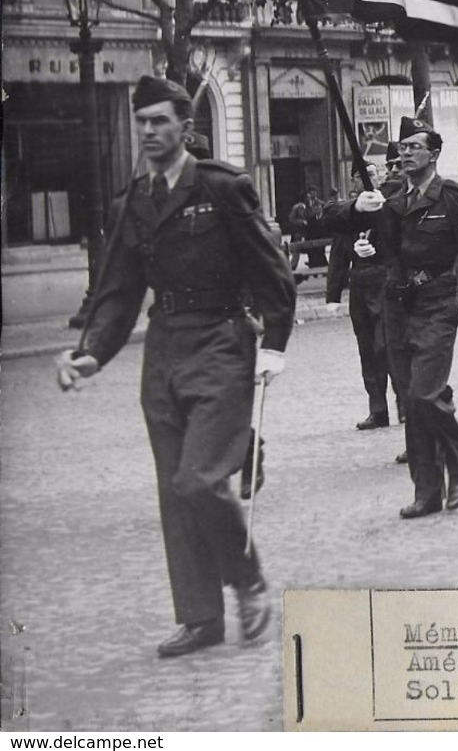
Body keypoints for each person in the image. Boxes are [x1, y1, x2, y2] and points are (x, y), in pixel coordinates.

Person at [56, 75, 296, 658]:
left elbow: (272, 271)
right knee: (174, 491)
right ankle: (200, 618)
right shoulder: (133, 202)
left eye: (160, 121)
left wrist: (274, 345)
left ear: (186, 128)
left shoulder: (222, 187)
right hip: (162, 351)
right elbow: (118, 290)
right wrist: (91, 354)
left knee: (199, 478)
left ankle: (249, 582)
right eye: (141, 122)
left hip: (220, 342)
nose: (149, 132)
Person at [350, 117, 458, 519]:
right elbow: (372, 238)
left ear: (433, 155)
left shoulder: (451, 197)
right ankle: (428, 491)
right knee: (412, 404)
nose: (406, 152)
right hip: (397, 306)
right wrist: (366, 244)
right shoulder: (392, 198)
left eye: (415, 146)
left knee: (423, 393)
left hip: (436, 303)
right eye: (402, 146)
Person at [310, 161, 401, 431]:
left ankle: (406, 406)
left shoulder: (389, 201)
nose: (370, 178)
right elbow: (338, 256)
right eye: (364, 175)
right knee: (367, 351)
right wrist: (332, 296)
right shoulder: (349, 213)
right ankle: (378, 409)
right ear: (354, 183)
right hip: (360, 286)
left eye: (374, 173)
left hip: (386, 282)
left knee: (388, 347)